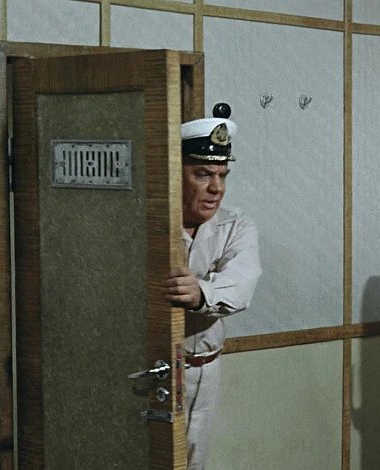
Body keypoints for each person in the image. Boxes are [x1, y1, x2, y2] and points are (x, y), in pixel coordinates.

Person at [161, 103, 262, 470]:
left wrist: (201, 293)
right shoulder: (150, 224)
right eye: (203, 174)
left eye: (222, 175)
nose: (216, 188)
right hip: (154, 370)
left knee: (194, 464)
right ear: (176, 174)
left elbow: (241, 284)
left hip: (203, 368)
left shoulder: (236, 225)